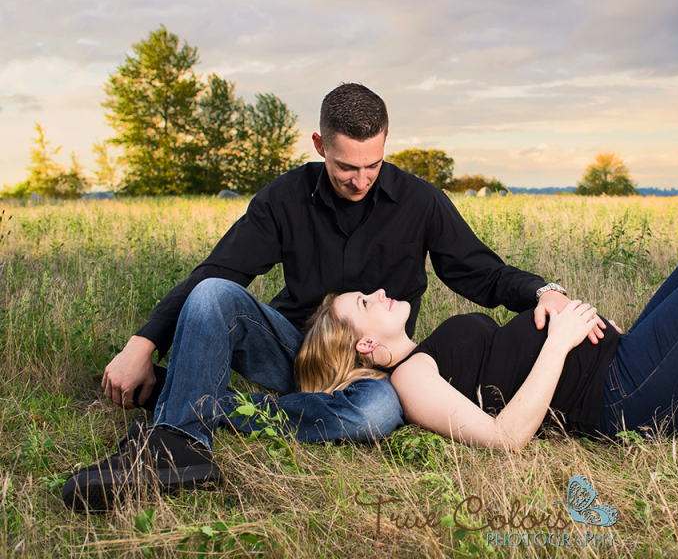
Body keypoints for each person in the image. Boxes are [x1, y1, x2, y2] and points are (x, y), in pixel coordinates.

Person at [63, 83, 597, 512]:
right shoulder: (284, 198)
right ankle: (177, 445)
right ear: (320, 146)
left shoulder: (420, 202)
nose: (362, 178)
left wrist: (541, 290)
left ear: (385, 143)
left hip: (369, 371)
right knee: (214, 294)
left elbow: (479, 272)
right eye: (346, 167)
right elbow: (221, 269)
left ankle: (209, 405)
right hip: (295, 349)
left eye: (373, 164)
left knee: (378, 415)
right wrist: (141, 345)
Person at [297, 229, 678, 461]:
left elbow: (502, 358)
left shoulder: (426, 351)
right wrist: (559, 344)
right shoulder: (410, 382)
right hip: (622, 402)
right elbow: (507, 438)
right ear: (366, 345)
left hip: (620, 360)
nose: (376, 291)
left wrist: (550, 305)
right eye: (363, 303)